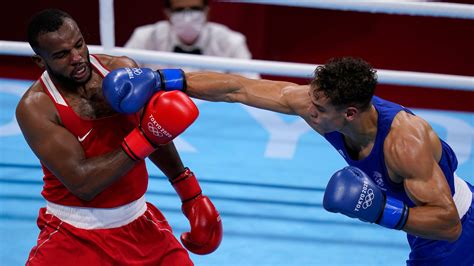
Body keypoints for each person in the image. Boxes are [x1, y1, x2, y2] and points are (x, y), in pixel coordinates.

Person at [103, 57, 473, 264]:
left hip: (452, 232)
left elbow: (447, 224)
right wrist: (164, 79)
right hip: (428, 224)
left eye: (318, 107)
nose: (305, 109)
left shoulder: (406, 143)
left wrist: (381, 212)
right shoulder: (318, 105)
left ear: (349, 114)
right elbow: (238, 89)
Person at [17, 9, 222, 265]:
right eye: (62, 55)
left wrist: (189, 192)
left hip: (139, 224)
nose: (77, 58)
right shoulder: (37, 107)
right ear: (41, 61)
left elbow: (155, 130)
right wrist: (146, 137)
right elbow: (84, 184)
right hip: (73, 234)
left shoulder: (121, 70)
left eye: (79, 44)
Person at [124, 0, 259, 79]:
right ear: (167, 14)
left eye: (195, 9)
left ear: (207, 12)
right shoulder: (145, 37)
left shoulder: (231, 41)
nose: (187, 17)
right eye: (179, 10)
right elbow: (122, 77)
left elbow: (251, 84)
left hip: (218, 115)